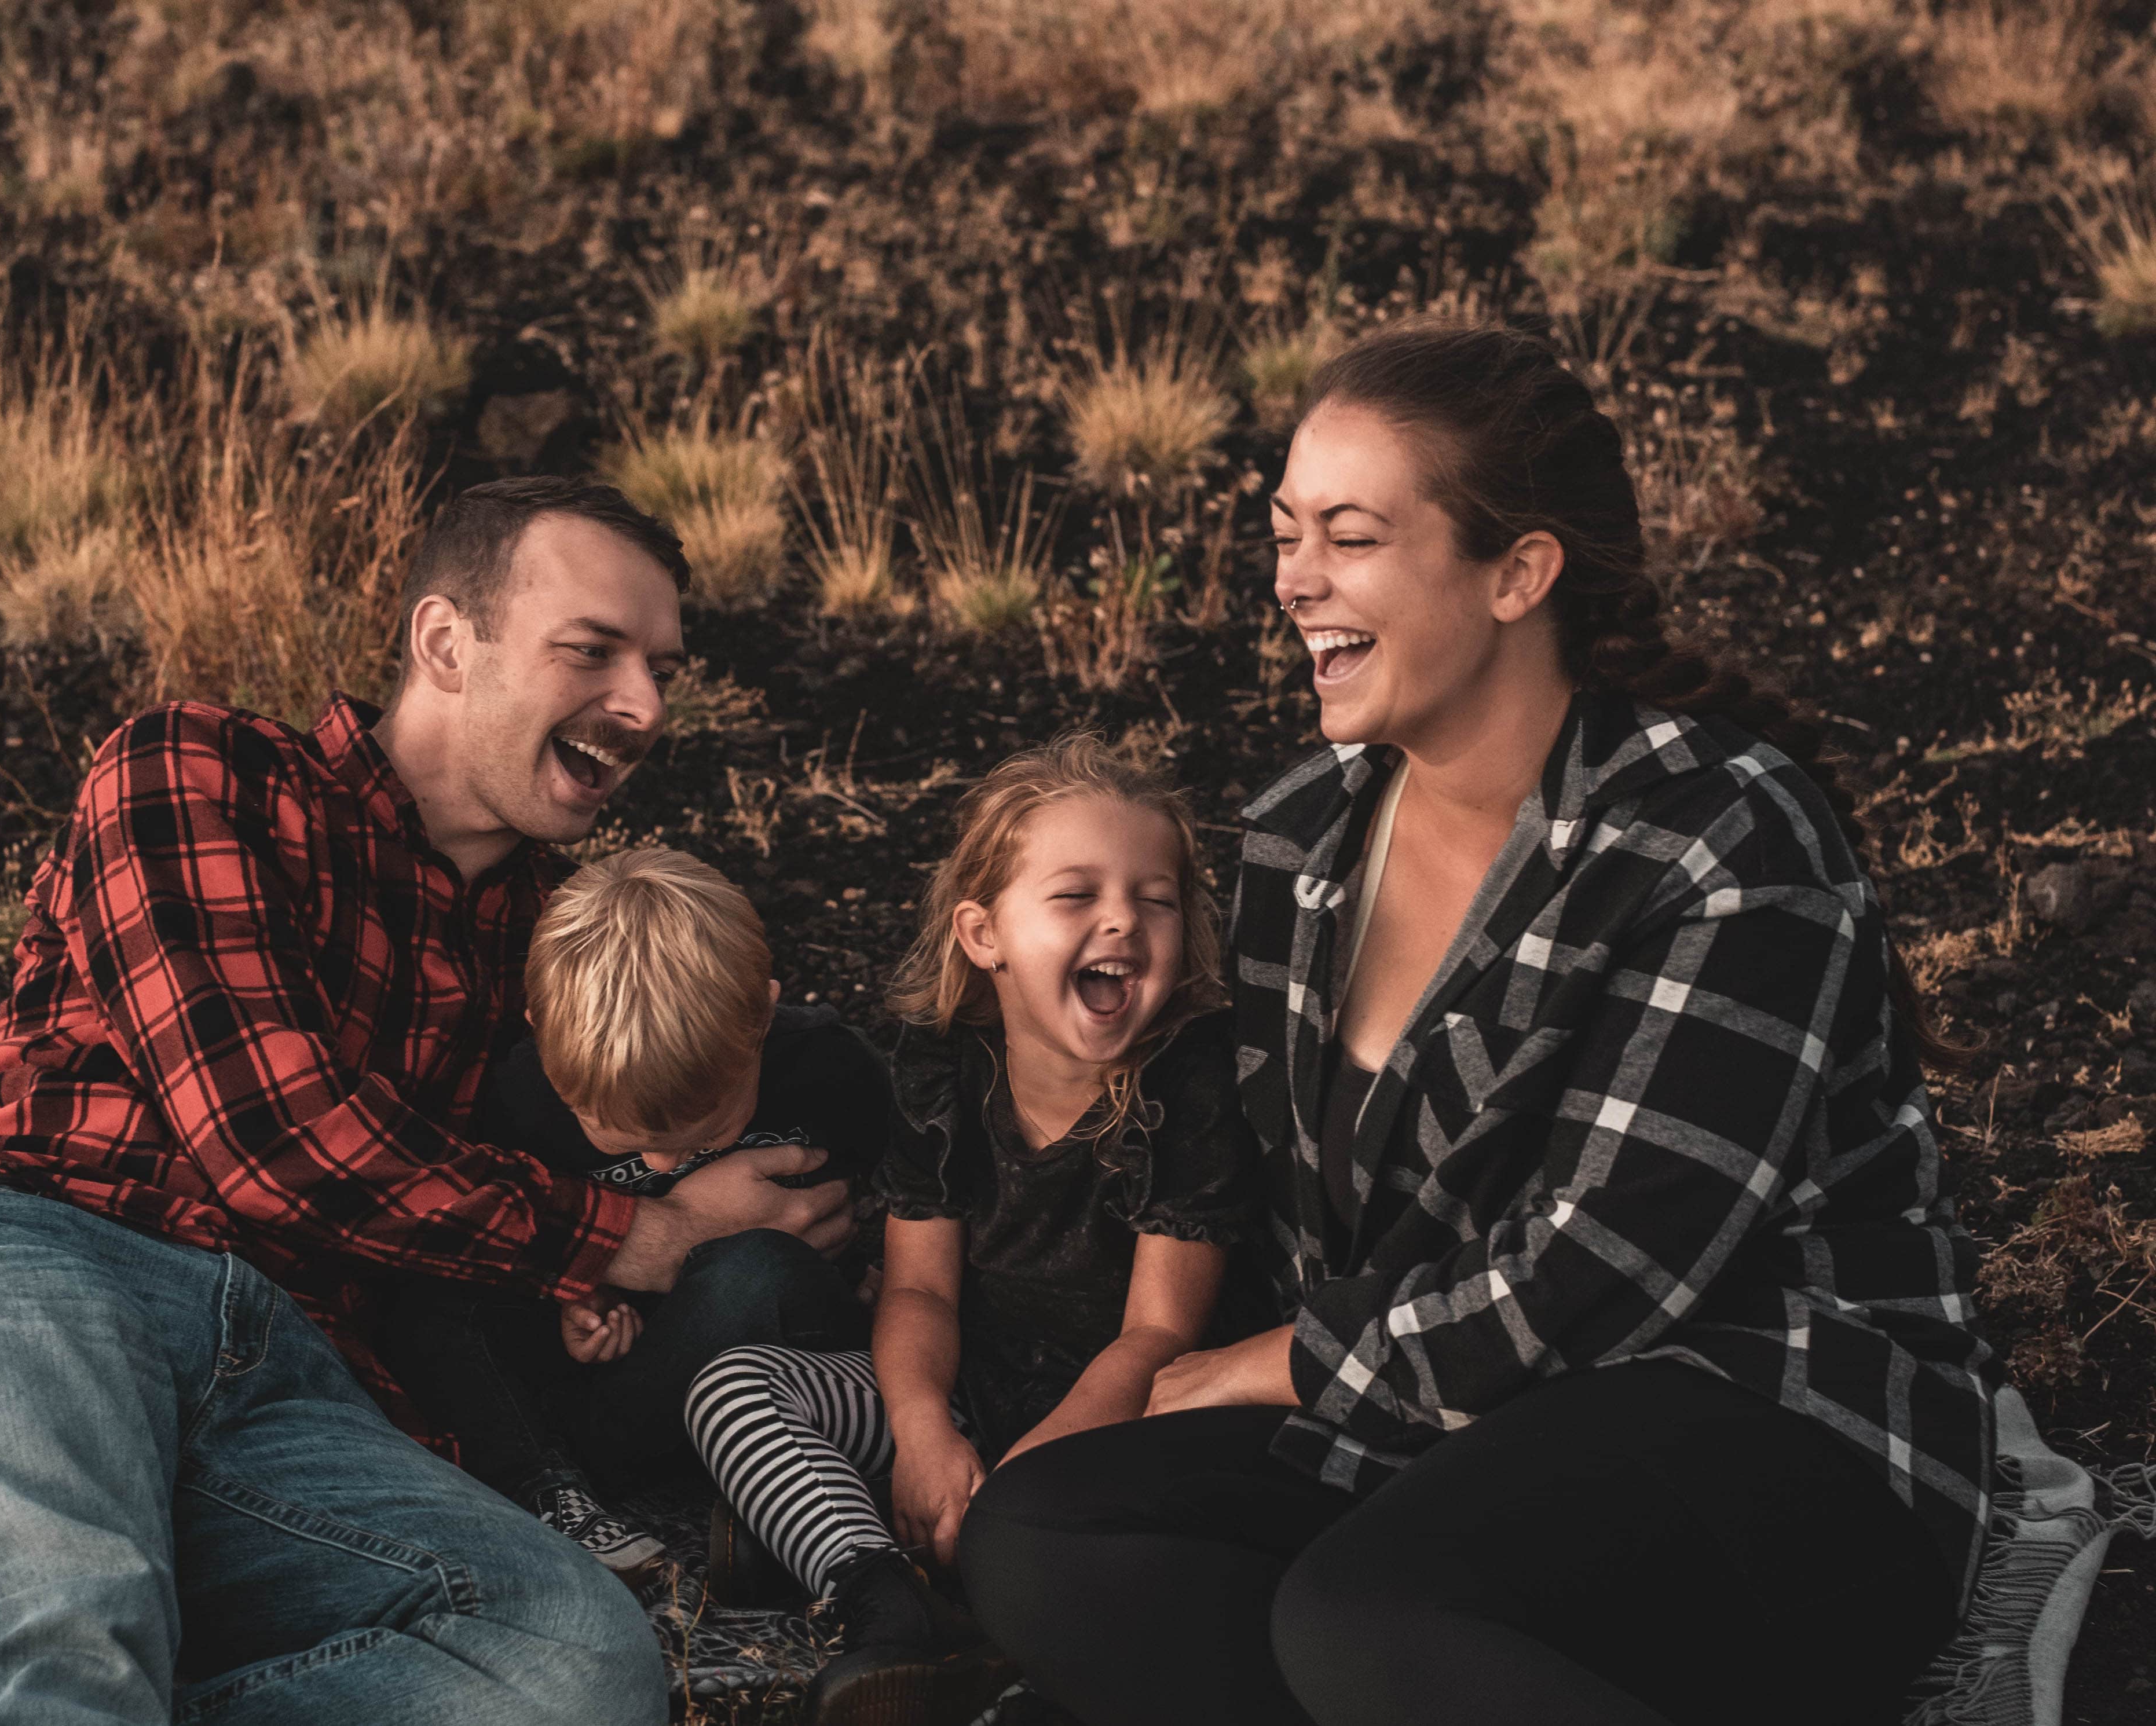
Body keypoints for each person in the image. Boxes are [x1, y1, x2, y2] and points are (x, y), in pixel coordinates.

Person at [958, 323, 1998, 1726]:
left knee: (1367, 1610)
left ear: (1516, 571)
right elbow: (1299, 1219)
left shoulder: (1715, 835)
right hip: (1441, 1428)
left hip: (1758, 1420)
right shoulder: (1299, 834)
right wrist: (1129, 1364)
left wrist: (1283, 1361)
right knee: (1044, 1535)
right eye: (1283, 531)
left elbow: (1602, 1268)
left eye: (1349, 534)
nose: (1292, 579)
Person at [0, 477, 852, 1724]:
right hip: (33, 1254)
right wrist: (648, 1231)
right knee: (58, 1657)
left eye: (662, 667)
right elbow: (272, 1137)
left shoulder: (564, 939)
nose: (642, 705)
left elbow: (726, 1049)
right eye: (592, 651)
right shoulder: (202, 770)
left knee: (570, 1663)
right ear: (443, 643)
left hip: (297, 1380)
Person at [684, 735, 1260, 1726]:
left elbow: (1157, 1336)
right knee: (735, 1389)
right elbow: (919, 1290)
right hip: (973, 1387)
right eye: (1075, 894)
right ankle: (881, 1593)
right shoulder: (942, 1066)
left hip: (1120, 1411)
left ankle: (997, 1636)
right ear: (983, 932)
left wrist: (1020, 1488)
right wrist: (918, 1433)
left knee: (1119, 1534)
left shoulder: (1191, 1085)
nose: (1123, 916)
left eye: (1155, 897)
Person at [379, 848, 887, 1578]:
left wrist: (886, 1269)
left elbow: (919, 1191)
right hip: (606, 1377)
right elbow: (517, 1222)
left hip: (757, 1358)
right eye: (619, 1139)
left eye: (700, 1136)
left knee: (756, 1267)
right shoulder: (524, 1095)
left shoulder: (829, 1069)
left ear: (760, 1021)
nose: (658, 1169)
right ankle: (547, 1490)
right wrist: (574, 1285)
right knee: (437, 1284)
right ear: (541, 1036)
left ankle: (691, 1478)